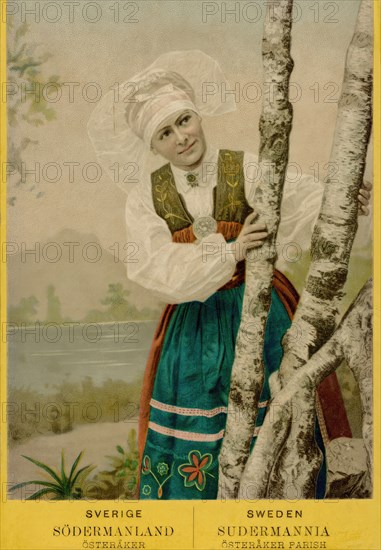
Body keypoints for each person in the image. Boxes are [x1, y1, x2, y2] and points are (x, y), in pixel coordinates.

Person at [88, 51, 371, 501]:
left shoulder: (247, 165)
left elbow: (297, 198)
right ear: (153, 145)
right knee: (201, 420)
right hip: (195, 323)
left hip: (260, 309)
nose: (181, 138)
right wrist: (229, 250)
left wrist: (340, 195)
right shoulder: (146, 196)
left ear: (197, 115)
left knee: (276, 416)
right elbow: (152, 264)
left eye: (184, 121)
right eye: (165, 133)